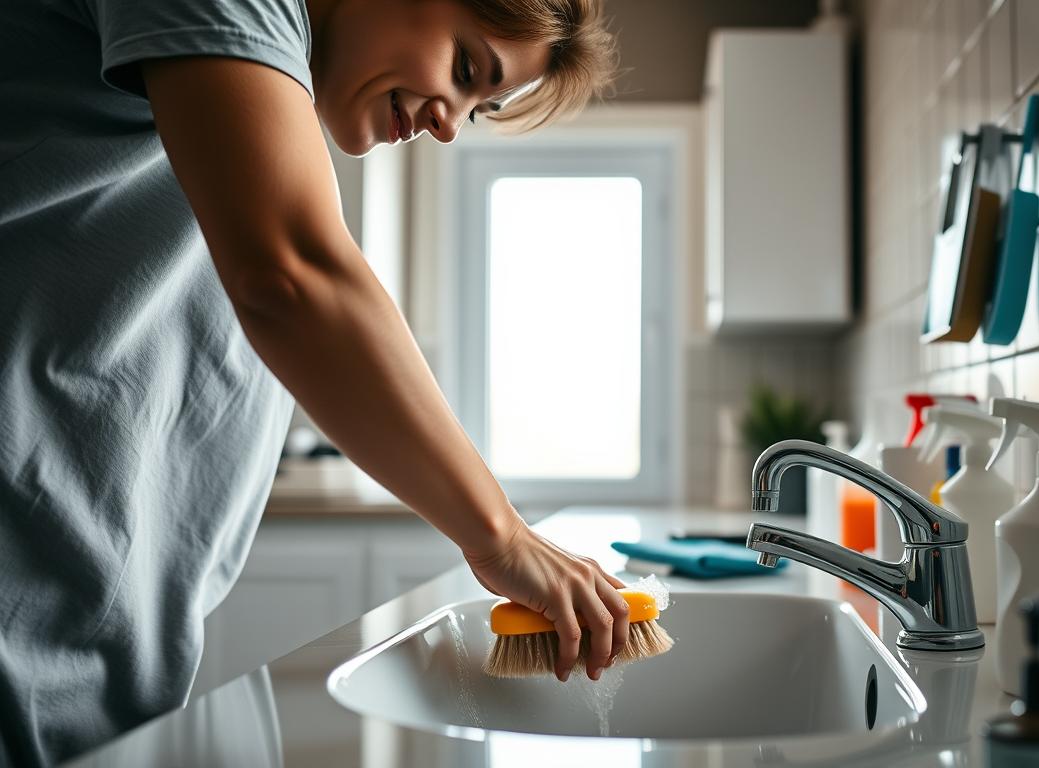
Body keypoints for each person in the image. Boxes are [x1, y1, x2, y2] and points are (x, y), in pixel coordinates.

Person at [0, 0, 623, 764]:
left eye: (479, 106)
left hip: (82, 648)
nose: (451, 124)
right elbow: (290, 277)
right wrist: (501, 535)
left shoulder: (267, 86)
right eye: (464, 68)